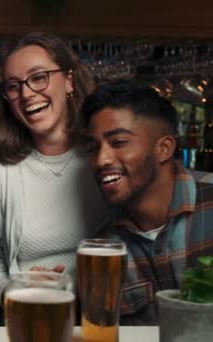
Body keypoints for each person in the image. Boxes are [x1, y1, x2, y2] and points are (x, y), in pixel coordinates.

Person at [0, 32, 109, 307]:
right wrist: (14, 290)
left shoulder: (106, 161)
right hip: (30, 317)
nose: (27, 94)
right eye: (14, 86)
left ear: (69, 81)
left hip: (104, 317)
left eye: (39, 77)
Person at [81, 80, 213, 325]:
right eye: (93, 147)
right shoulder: (104, 249)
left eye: (118, 142)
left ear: (164, 149)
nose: (101, 160)